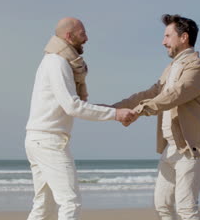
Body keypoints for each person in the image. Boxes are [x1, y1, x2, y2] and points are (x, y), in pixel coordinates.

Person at [25, 17, 137, 220]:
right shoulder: (57, 62)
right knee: (70, 202)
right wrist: (114, 114)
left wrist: (109, 109)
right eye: (82, 33)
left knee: (43, 206)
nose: (86, 38)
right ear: (69, 36)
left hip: (39, 139)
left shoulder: (54, 60)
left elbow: (71, 103)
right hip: (49, 141)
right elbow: (72, 106)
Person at [114, 14, 200, 220]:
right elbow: (150, 94)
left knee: (186, 208)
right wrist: (112, 109)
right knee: (163, 206)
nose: (163, 41)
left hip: (191, 146)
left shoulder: (197, 67)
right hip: (171, 146)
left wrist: (138, 111)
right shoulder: (170, 68)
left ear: (184, 37)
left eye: (168, 36)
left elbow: (173, 95)